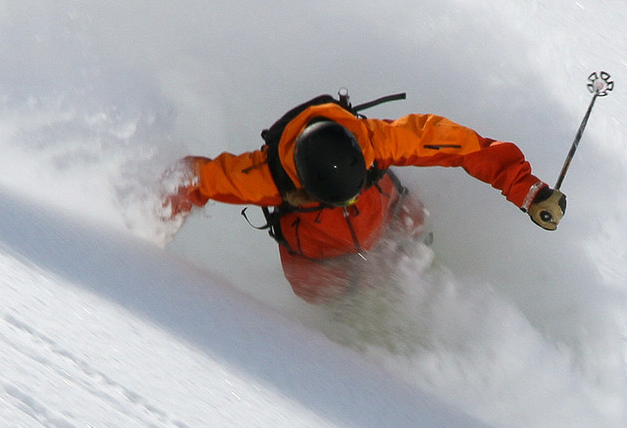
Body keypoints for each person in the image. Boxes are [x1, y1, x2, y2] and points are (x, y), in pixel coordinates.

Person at [162, 95, 566, 304]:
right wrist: (150, 223)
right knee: (328, 292)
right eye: (333, 198)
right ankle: (354, 331)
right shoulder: (264, 177)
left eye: (354, 189)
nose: (347, 201)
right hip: (321, 259)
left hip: (389, 222)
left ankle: (420, 272)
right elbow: (193, 179)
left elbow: (462, 146)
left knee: (410, 233)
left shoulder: (377, 140)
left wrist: (529, 192)